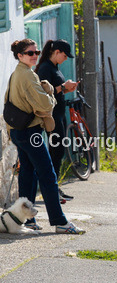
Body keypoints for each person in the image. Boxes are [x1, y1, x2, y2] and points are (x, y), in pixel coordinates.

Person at [5, 39, 82, 233]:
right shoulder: (28, 76)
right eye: (30, 53)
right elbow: (46, 105)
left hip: (18, 132)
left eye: (36, 52)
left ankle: (27, 220)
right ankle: (60, 222)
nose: (34, 56)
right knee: (48, 174)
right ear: (20, 56)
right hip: (31, 132)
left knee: (27, 175)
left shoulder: (17, 74)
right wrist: (49, 92)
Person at [35, 39, 78, 201]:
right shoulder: (45, 68)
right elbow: (44, 93)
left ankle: (54, 187)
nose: (65, 59)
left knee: (58, 151)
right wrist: (63, 87)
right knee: (56, 151)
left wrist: (66, 89)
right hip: (51, 117)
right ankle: (50, 189)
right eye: (65, 56)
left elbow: (56, 92)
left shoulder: (54, 67)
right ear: (57, 52)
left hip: (59, 113)